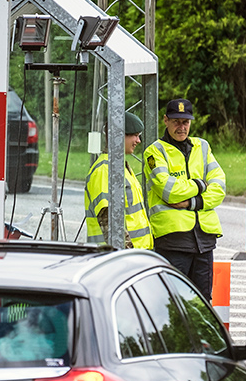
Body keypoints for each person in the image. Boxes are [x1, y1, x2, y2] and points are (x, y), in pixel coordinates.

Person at [144, 98, 225, 301]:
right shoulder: (155, 152)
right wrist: (199, 185)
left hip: (204, 240)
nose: (181, 127)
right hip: (174, 240)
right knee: (173, 302)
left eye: (185, 122)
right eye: (176, 121)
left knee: (202, 303)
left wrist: (192, 202)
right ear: (166, 120)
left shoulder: (202, 147)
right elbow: (168, 190)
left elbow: (220, 187)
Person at [84, 112, 153, 249]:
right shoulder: (105, 171)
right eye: (135, 135)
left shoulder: (120, 167)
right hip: (119, 258)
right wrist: (128, 254)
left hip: (134, 256)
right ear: (119, 136)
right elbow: (109, 222)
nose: (138, 140)